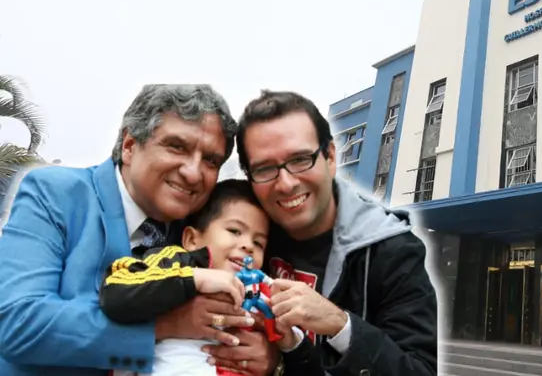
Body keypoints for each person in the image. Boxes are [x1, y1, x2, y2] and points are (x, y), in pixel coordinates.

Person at [0, 85, 277, 376]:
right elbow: (17, 323)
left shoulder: (203, 228)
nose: (193, 173)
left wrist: (269, 357)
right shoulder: (55, 193)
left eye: (211, 160)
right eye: (177, 146)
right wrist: (164, 326)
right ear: (130, 145)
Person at [219, 90, 437, 375]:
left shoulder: (393, 252)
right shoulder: (243, 233)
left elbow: (418, 371)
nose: (285, 184)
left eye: (300, 159)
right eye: (265, 168)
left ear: (330, 156)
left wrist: (340, 325)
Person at [99, 180, 323, 376]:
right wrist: (194, 279)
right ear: (191, 239)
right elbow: (115, 293)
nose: (247, 245)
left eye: (258, 243)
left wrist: (286, 348)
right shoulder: (175, 262)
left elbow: (309, 365)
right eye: (235, 231)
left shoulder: (263, 290)